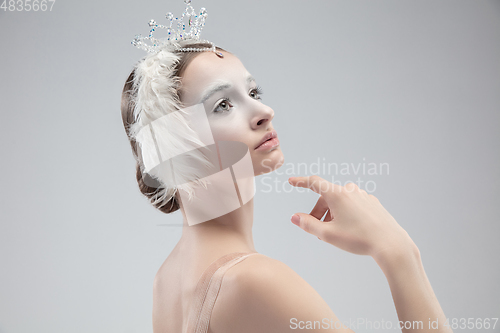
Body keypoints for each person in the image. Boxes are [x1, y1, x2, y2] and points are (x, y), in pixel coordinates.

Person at [121, 2, 452, 332]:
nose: (265, 110)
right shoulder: (255, 281)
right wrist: (399, 252)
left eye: (252, 92)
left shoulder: (165, 280)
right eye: (223, 104)